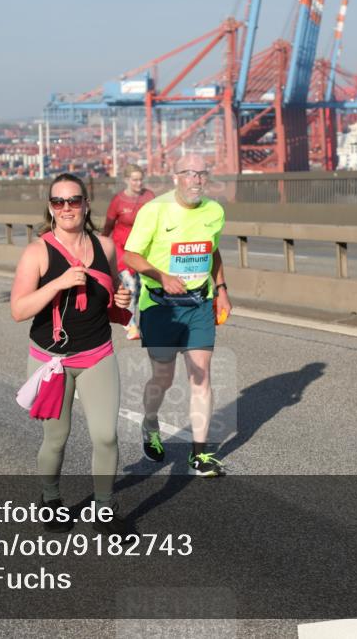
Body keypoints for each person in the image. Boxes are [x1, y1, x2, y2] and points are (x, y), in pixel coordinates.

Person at [11, 173, 133, 536]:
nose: (67, 208)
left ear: (86, 204)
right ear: (50, 207)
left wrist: (122, 302)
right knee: (56, 438)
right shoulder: (37, 252)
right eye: (59, 202)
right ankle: (50, 499)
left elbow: (110, 305)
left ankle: (105, 509)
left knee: (106, 436)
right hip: (52, 362)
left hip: (97, 354)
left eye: (74, 200)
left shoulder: (106, 246)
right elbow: (18, 310)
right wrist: (58, 283)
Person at [123, 154, 231, 476]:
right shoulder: (154, 210)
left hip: (199, 304)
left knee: (202, 377)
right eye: (189, 173)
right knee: (163, 378)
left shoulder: (215, 211)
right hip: (160, 306)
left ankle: (199, 455)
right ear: (175, 178)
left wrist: (221, 287)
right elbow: (131, 254)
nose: (196, 179)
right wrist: (161, 277)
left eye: (202, 173)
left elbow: (213, 251)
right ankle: (150, 423)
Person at [101, 164, 155, 341]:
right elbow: (108, 226)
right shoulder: (118, 200)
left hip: (144, 249)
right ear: (126, 180)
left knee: (143, 289)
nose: (138, 183)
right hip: (122, 250)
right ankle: (131, 325)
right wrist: (100, 247)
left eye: (140, 179)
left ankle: (138, 321)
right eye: (134, 179)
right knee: (131, 285)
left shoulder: (149, 197)